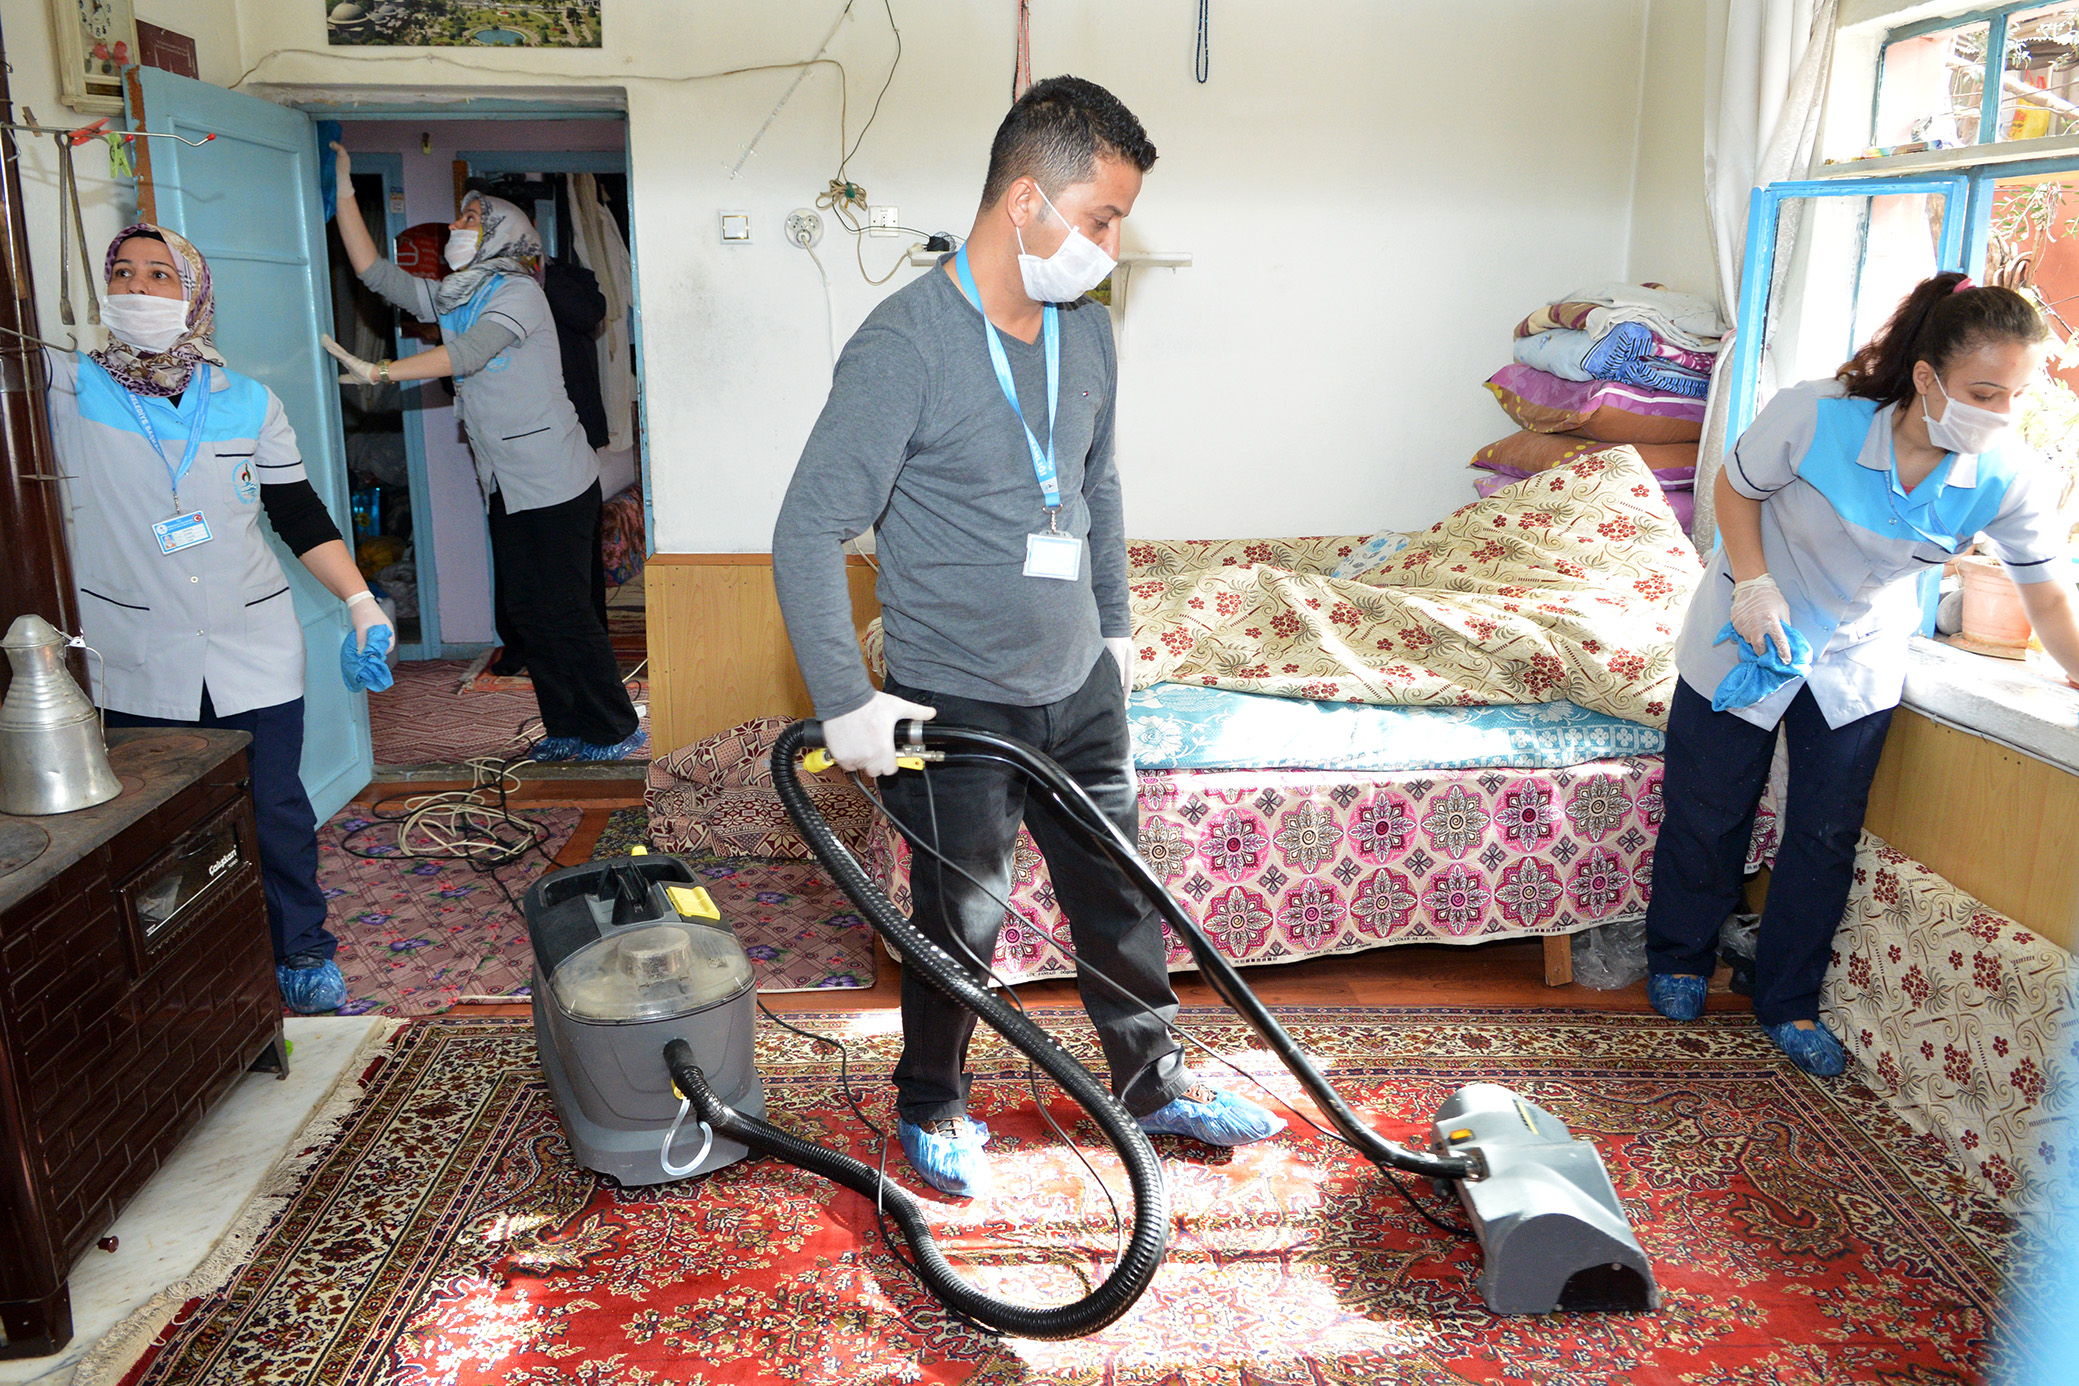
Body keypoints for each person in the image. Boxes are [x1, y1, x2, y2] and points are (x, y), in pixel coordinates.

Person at [772, 75, 1284, 1199]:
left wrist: (1117, 631)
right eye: (1100, 219)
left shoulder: (1087, 333)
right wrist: (845, 699)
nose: (1110, 247)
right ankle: (931, 1101)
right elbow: (807, 528)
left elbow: (1095, 486)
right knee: (959, 917)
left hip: (1078, 683)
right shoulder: (904, 347)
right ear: (1024, 202)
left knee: (1117, 895)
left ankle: (1153, 1084)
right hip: (957, 696)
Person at [1645, 272, 2079, 1075]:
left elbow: (2046, 596)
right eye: (1983, 392)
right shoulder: (1816, 414)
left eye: (2016, 397)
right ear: (1926, 377)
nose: (1999, 414)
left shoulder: (2006, 475)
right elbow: (1735, 489)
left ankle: (1787, 1001)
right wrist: (1752, 583)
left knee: (1824, 835)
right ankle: (1678, 957)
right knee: (1708, 809)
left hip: (1855, 651)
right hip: (1751, 623)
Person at [48, 224, 395, 1014]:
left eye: (159, 275)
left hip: (252, 641)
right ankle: (189, 968)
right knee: (159, 826)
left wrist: (359, 601)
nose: (137, 288)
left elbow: (297, 514)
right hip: (135, 647)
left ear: (195, 294)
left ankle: (300, 950)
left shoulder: (248, 401)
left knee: (274, 812)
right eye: (123, 272)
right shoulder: (67, 388)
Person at [323, 146, 642, 763]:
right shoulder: (458, 294)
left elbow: (467, 355)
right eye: (460, 217)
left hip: (554, 479)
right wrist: (343, 193)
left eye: (471, 218)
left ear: (504, 233)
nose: (456, 226)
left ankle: (614, 728)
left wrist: (380, 370)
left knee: (567, 611)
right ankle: (567, 728)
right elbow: (374, 273)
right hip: (505, 481)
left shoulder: (520, 292)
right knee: (527, 612)